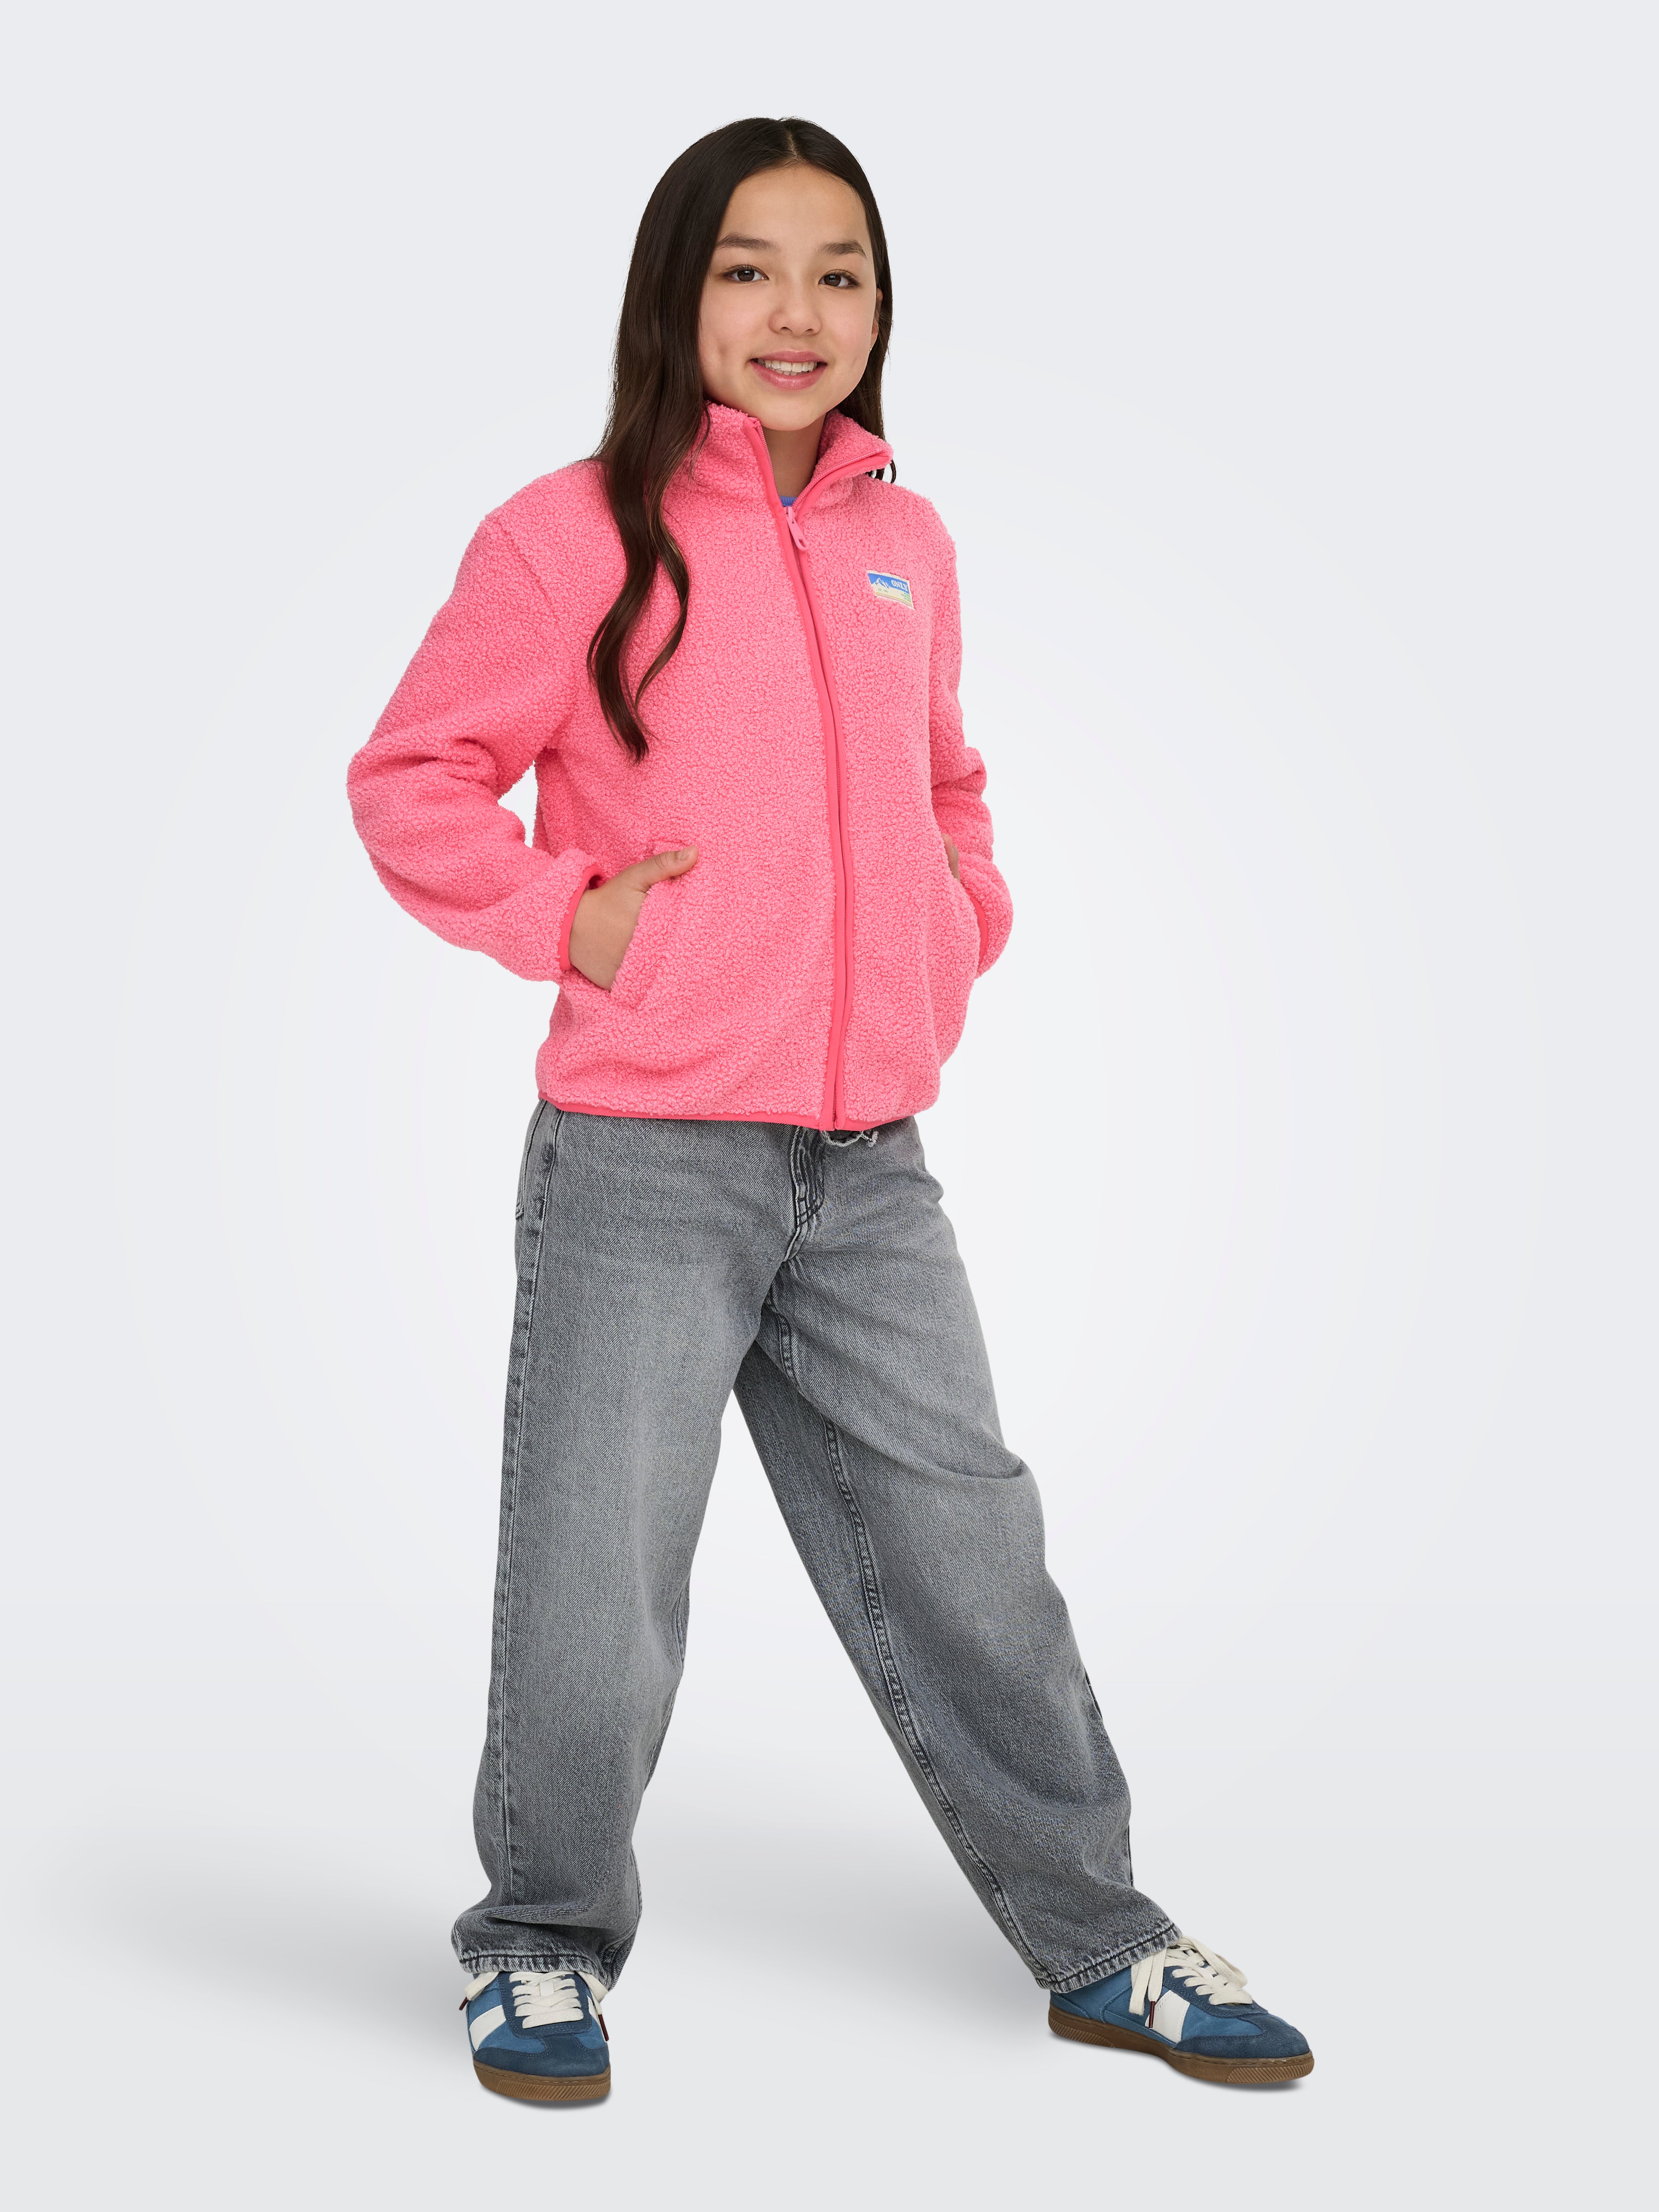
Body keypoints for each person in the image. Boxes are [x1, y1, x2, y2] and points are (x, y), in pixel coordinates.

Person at [348, 115, 1313, 2102]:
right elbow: (413, 777)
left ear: (879, 305)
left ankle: (1099, 1940)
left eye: (838, 271)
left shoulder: (906, 542)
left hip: (869, 1165)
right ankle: (537, 1945)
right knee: (600, 1587)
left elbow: (946, 778)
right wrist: (570, 920)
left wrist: (959, 916)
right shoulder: (567, 535)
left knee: (975, 1553)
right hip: (646, 1156)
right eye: (748, 268)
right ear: (676, 294)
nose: (795, 311)